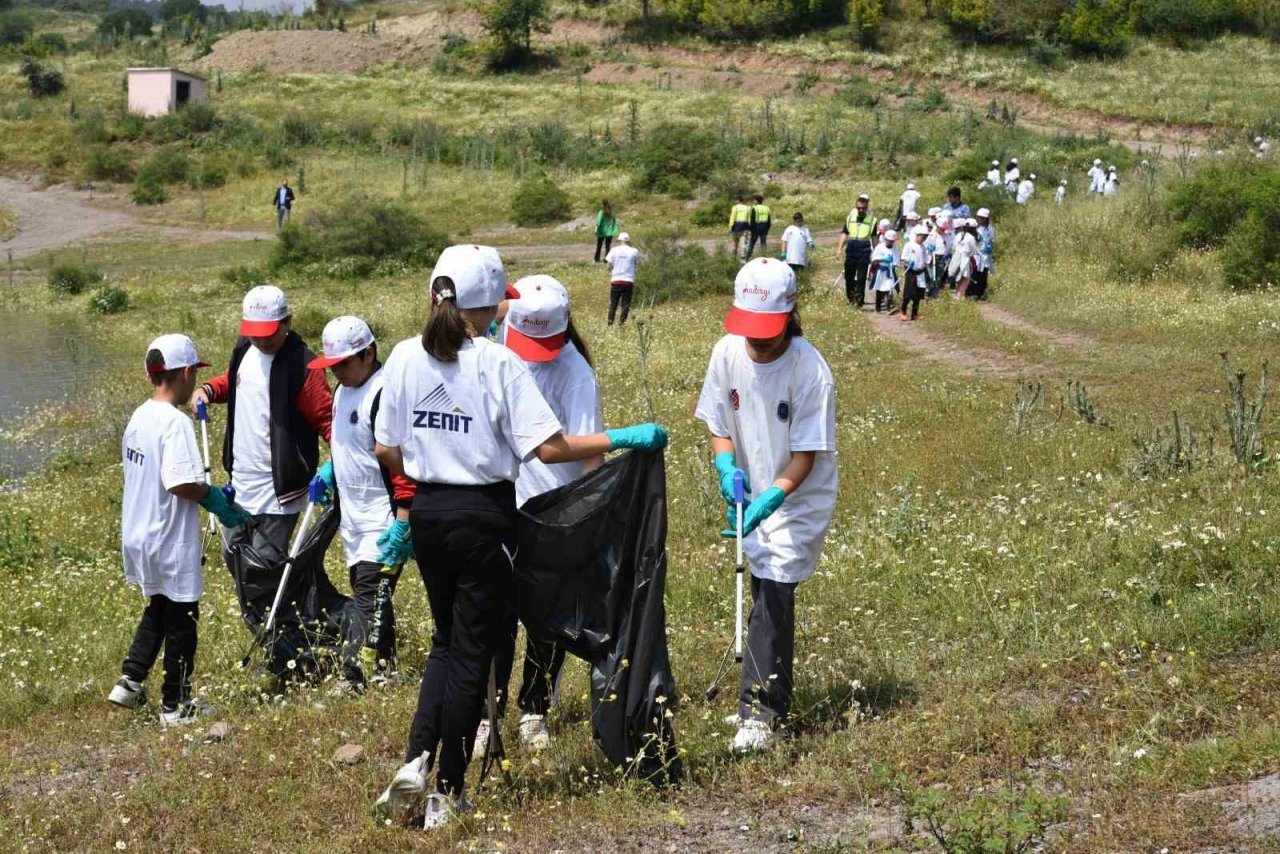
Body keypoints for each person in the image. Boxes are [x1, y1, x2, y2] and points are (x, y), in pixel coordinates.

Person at [371, 245, 668, 829]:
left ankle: (415, 760)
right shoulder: (498, 363)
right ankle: (448, 791)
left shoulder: (404, 356)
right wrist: (624, 438)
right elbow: (551, 448)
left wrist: (433, 472)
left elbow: (385, 448)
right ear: (489, 307)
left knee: (444, 642)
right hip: (484, 515)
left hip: (428, 513)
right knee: (471, 654)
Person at [695, 257, 837, 754]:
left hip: (796, 495)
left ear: (791, 313)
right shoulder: (726, 352)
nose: (756, 341)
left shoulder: (809, 371)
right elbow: (718, 424)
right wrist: (725, 467)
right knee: (762, 583)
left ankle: (759, 711)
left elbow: (805, 456)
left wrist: (773, 498)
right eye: (749, 329)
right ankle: (769, 687)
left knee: (775, 588)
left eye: (766, 331)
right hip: (751, 485)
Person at [482, 275, 603, 756]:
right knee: (496, 616)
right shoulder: (497, 346)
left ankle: (534, 707)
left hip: (554, 507)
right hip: (500, 502)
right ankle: (486, 713)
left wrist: (588, 513)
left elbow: (590, 451)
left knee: (544, 619)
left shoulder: (576, 373)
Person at [110, 334, 251, 726]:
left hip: (138, 532)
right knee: (183, 617)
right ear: (187, 373)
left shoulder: (139, 416)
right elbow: (180, 483)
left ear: (150, 373)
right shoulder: (175, 423)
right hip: (167, 537)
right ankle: (175, 705)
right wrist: (214, 499)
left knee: (159, 604)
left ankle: (130, 680)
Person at [192, 285, 333, 585]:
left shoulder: (304, 366)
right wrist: (208, 390)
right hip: (240, 485)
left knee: (264, 569)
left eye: (268, 333)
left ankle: (280, 615)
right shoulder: (245, 349)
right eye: (255, 333)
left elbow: (328, 421)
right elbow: (235, 380)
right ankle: (276, 610)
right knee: (233, 555)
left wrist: (336, 466)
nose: (261, 340)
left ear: (287, 322)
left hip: (279, 492)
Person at [307, 316, 418, 689]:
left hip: (383, 521)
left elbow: (402, 460)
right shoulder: (342, 391)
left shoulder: (384, 394)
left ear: (368, 354)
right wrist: (330, 470)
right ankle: (385, 667)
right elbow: (348, 443)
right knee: (369, 595)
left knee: (370, 597)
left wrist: (403, 519)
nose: (336, 372)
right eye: (332, 366)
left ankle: (355, 675)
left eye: (343, 364)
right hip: (353, 520)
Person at [837, 194, 875, 308]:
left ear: (867, 207)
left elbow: (874, 238)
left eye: (863, 208)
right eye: (859, 208)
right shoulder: (850, 218)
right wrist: (839, 249)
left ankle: (859, 300)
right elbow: (845, 234)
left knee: (861, 277)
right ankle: (851, 298)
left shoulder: (872, 219)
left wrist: (877, 253)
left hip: (864, 248)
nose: (861, 210)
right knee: (849, 276)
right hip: (852, 247)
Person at [604, 232, 640, 327]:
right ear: (628, 240)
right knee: (625, 305)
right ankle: (621, 324)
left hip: (616, 280)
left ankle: (610, 324)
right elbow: (637, 264)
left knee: (613, 304)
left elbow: (608, 266)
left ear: (619, 240)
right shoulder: (634, 251)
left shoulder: (614, 250)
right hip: (628, 281)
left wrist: (612, 270)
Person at [899, 225, 928, 321]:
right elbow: (903, 259)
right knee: (908, 293)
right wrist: (908, 262)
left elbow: (926, 260)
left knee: (918, 294)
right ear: (917, 235)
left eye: (925, 238)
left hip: (920, 272)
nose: (924, 239)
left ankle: (914, 314)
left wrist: (924, 265)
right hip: (911, 272)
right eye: (923, 237)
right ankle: (903, 311)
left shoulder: (923, 247)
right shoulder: (909, 245)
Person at [869, 229, 899, 313]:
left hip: (890, 271)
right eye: (890, 241)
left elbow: (896, 260)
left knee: (890, 288)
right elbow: (874, 259)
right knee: (880, 288)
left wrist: (893, 264)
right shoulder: (879, 247)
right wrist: (883, 259)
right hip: (881, 270)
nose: (891, 242)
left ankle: (889, 306)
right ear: (886, 239)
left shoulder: (895, 248)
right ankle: (878, 308)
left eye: (893, 241)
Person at [971, 208, 995, 300]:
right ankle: (972, 293)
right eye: (979, 217)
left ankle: (981, 293)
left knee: (983, 274)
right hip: (975, 254)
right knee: (974, 273)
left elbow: (992, 240)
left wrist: (989, 246)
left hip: (985, 255)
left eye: (983, 217)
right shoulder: (974, 227)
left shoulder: (990, 229)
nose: (981, 219)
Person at [950, 219, 977, 298]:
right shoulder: (971, 237)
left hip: (955, 257)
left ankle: (956, 294)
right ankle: (959, 295)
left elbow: (953, 246)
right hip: (965, 258)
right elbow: (974, 250)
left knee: (958, 277)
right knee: (966, 278)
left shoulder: (958, 235)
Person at [747, 195, 772, 260]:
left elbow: (752, 220)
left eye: (754, 200)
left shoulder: (754, 208)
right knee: (763, 243)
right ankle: (764, 257)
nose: (753, 201)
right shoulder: (767, 208)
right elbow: (769, 220)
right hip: (764, 227)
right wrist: (767, 229)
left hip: (756, 227)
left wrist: (751, 230)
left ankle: (748, 257)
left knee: (752, 243)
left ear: (756, 201)